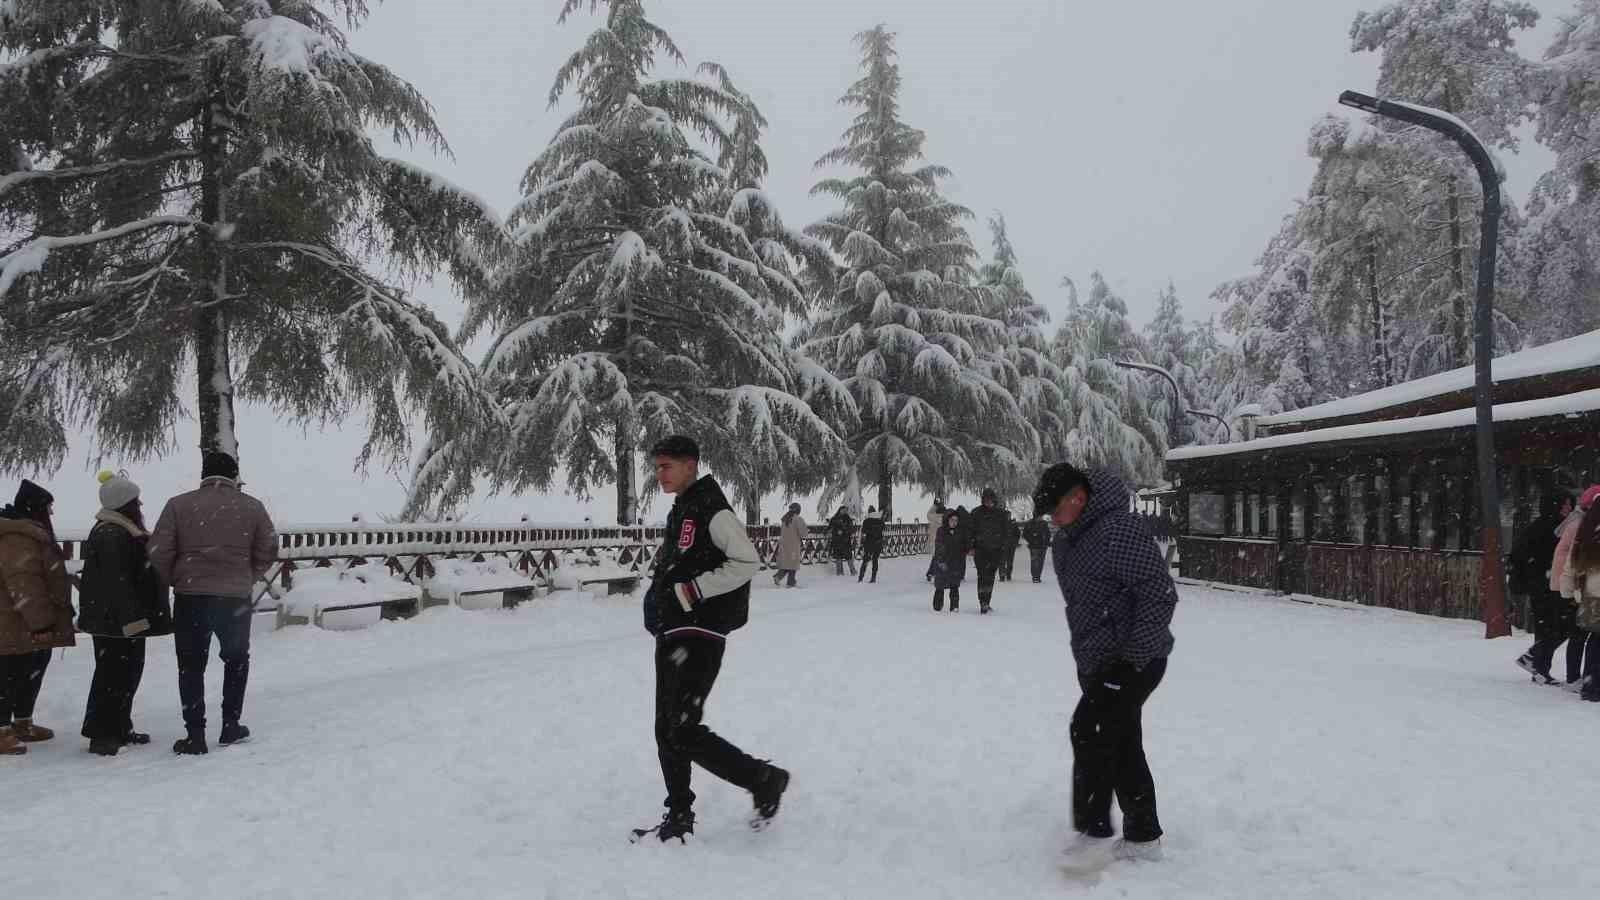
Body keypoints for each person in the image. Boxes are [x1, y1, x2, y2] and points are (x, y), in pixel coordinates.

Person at [633, 436, 789, 844]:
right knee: (666, 728)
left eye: (666, 466)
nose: (660, 474)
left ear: (690, 465)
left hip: (700, 632)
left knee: (681, 728)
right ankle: (679, 815)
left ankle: (763, 778)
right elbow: (674, 564)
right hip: (674, 631)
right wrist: (658, 601)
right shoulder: (683, 509)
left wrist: (694, 591)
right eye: (657, 466)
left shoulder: (712, 509)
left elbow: (747, 560)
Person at [1034, 462, 1178, 863]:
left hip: (1135, 659)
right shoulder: (1068, 540)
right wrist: (1090, 662)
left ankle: (1140, 837)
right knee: (1099, 732)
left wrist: (1131, 659)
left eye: (1055, 510)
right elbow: (1087, 603)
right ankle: (1097, 825)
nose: (1052, 519)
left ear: (1077, 499)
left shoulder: (1119, 530)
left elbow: (1159, 595)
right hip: (1099, 660)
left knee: (1106, 733)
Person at [148, 451, 277, 756]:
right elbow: (269, 549)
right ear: (234, 476)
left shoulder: (178, 505)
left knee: (191, 665)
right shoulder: (252, 507)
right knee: (235, 660)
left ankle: (195, 735)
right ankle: (230, 725)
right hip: (234, 598)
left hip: (190, 597)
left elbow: (158, 551)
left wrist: (176, 578)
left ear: (204, 475)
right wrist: (246, 575)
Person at [78, 471, 173, 756]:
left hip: (116, 620)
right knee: (114, 676)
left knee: (123, 674)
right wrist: (132, 621)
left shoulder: (116, 530)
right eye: (136, 501)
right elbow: (117, 583)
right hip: (117, 622)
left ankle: (118, 726)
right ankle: (103, 733)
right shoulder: (113, 533)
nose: (140, 506)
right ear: (124, 504)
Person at [0, 480, 76, 756]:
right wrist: (41, 623)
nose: (51, 514)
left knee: (30, 668)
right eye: (48, 508)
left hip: (24, 621)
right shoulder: (17, 537)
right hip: (12, 621)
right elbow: (24, 583)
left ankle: (22, 722)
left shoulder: (30, 534)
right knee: (8, 673)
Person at [1512, 493, 1580, 685]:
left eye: (1569, 504)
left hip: (1547, 583)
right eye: (1564, 504)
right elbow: (1526, 556)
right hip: (1545, 585)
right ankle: (1538, 664)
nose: (1567, 508)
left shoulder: (1552, 526)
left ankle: (1538, 665)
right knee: (1556, 627)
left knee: (1551, 627)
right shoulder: (1549, 528)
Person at [1553, 486, 1599, 693]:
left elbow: (1571, 561)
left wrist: (1567, 590)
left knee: (1592, 637)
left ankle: (1589, 681)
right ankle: (1591, 683)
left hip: (1589, 593)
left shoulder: (1586, 529)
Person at [968, 488, 1011, 615]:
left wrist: (1003, 546)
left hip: (995, 551)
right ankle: (983, 602)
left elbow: (1006, 532)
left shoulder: (1001, 514)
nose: (988, 502)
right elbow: (970, 531)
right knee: (982, 576)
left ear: (994, 500)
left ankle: (987, 600)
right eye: (986, 500)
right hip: (980, 550)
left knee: (991, 577)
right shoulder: (976, 513)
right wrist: (971, 546)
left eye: (990, 500)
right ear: (983, 500)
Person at [931, 509, 967, 612]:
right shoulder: (941, 531)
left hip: (955, 563)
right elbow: (939, 546)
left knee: (954, 586)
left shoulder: (960, 532)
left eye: (956, 520)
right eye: (952, 520)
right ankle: (937, 606)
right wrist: (941, 561)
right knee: (940, 586)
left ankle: (954, 606)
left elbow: (963, 546)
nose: (954, 522)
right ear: (947, 520)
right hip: (943, 562)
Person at [772, 503, 805, 589]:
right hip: (793, 545)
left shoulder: (784, 519)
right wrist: (806, 531)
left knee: (787, 563)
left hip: (784, 545)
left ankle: (778, 577)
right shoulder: (798, 519)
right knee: (793, 564)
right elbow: (803, 533)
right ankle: (790, 582)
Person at [859, 507, 885, 584]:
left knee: (865, 560)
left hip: (869, 543)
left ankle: (861, 578)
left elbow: (863, 531)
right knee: (875, 560)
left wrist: (862, 543)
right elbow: (883, 529)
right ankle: (873, 578)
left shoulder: (866, 521)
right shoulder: (880, 521)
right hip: (878, 543)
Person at [828, 506, 856, 576]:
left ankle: (853, 571)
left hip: (845, 541)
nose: (844, 511)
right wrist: (832, 531)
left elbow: (851, 529)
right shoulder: (834, 518)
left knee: (849, 557)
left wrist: (844, 531)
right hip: (836, 541)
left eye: (845, 510)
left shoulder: (848, 519)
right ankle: (839, 573)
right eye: (843, 510)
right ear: (839, 510)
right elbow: (830, 527)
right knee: (838, 557)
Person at [1024, 516, 1052, 583]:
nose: (1040, 517)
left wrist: (1047, 542)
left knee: (1040, 562)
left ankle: (1038, 576)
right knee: (1034, 562)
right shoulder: (1030, 523)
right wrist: (1031, 540)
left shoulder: (1044, 523)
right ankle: (1035, 576)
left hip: (1042, 546)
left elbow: (1048, 534)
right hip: (1034, 546)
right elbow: (1025, 534)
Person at [926, 500, 945, 582]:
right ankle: (932, 573)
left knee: (936, 557)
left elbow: (928, 513)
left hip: (933, 541)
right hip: (941, 541)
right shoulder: (945, 519)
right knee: (938, 558)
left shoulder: (932, 517)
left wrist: (934, 505)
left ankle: (931, 573)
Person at [1000, 518, 1022, 582]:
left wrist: (1015, 542)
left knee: (1005, 561)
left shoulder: (1011, 524)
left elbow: (1018, 534)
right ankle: (1005, 575)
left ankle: (1005, 575)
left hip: (1009, 545)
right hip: (1006, 545)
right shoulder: (1002, 524)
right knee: (1005, 561)